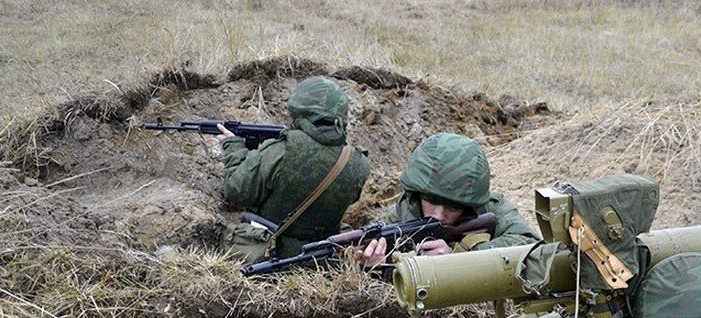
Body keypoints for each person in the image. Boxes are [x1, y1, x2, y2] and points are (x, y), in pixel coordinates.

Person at [217, 76, 370, 260]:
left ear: (299, 109)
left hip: (269, 256)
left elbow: (236, 190)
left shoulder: (281, 150)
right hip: (321, 260)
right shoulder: (357, 162)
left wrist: (233, 147)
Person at [357, 132, 538, 266]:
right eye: (433, 202)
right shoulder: (400, 217)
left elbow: (531, 245)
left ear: (468, 205)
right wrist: (376, 268)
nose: (438, 216)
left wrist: (458, 257)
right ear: (417, 193)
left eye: (452, 208)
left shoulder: (490, 208)